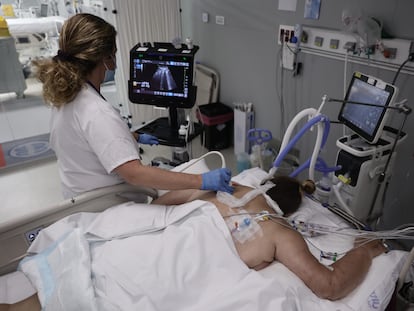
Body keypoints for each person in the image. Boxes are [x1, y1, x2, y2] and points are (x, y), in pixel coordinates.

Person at [32, 13, 233, 199]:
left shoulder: (67, 96)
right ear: (106, 59)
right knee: (199, 193)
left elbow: (87, 139)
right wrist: (202, 181)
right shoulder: (96, 111)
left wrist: (133, 136)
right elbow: (135, 174)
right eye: (114, 53)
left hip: (83, 198)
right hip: (109, 206)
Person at [152, 175, 387, 301]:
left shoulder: (223, 186)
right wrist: (363, 250)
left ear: (265, 184)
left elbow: (163, 202)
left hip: (159, 254)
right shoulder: (280, 232)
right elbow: (330, 285)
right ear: (290, 212)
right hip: (184, 268)